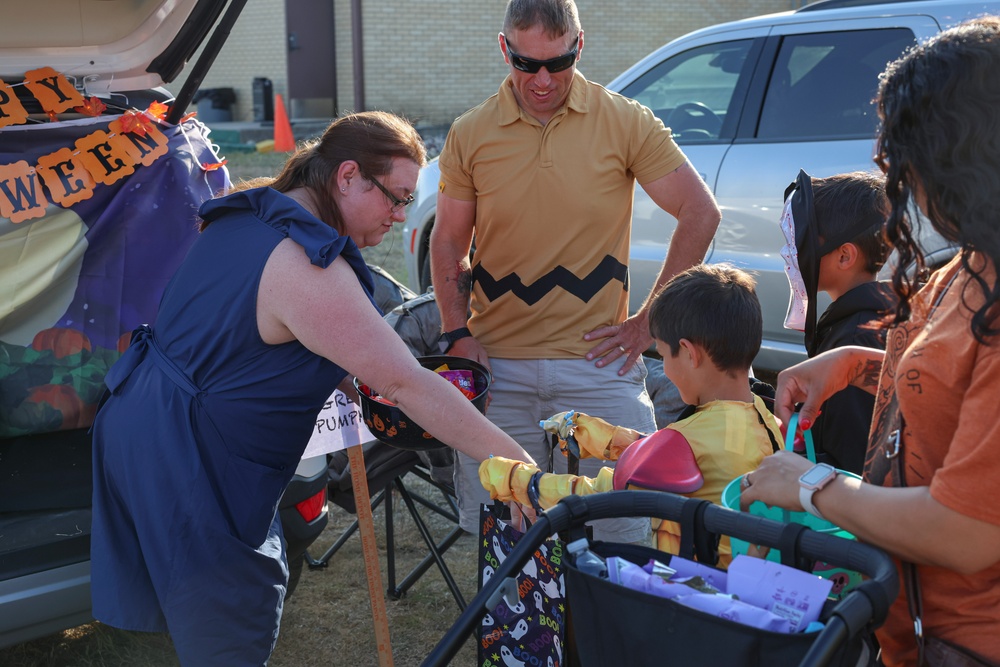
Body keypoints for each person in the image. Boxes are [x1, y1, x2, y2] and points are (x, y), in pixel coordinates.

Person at [90, 111, 535, 665]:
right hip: (188, 457)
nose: (400, 216)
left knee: (214, 612)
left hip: (141, 423)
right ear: (346, 176)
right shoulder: (306, 263)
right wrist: (517, 464)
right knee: (232, 629)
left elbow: (241, 339)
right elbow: (405, 382)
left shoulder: (249, 213)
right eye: (394, 198)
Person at [741, 17, 1000, 667]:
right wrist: (859, 363)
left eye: (904, 156)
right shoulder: (967, 268)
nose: (894, 177)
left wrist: (808, 484)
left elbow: (968, 531)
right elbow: (961, 390)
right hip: (908, 634)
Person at [431, 0, 721, 541]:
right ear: (504, 49)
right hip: (499, 370)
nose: (542, 80)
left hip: (598, 366)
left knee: (622, 534)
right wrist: (456, 334)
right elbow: (448, 240)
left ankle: (603, 628)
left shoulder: (624, 120)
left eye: (557, 64)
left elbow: (700, 212)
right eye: (526, 63)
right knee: (504, 544)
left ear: (579, 46)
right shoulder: (470, 133)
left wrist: (648, 323)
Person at [481, 264, 780, 566]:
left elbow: (600, 494)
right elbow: (699, 458)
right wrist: (606, 438)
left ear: (690, 353)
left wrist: (522, 481)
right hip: (755, 580)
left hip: (694, 593)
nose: (664, 368)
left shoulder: (688, 438)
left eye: (663, 356)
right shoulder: (763, 417)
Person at [780, 170, 895, 474]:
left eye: (802, 240)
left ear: (845, 256)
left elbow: (852, 463)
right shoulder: (856, 319)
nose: (790, 253)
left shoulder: (858, 336)